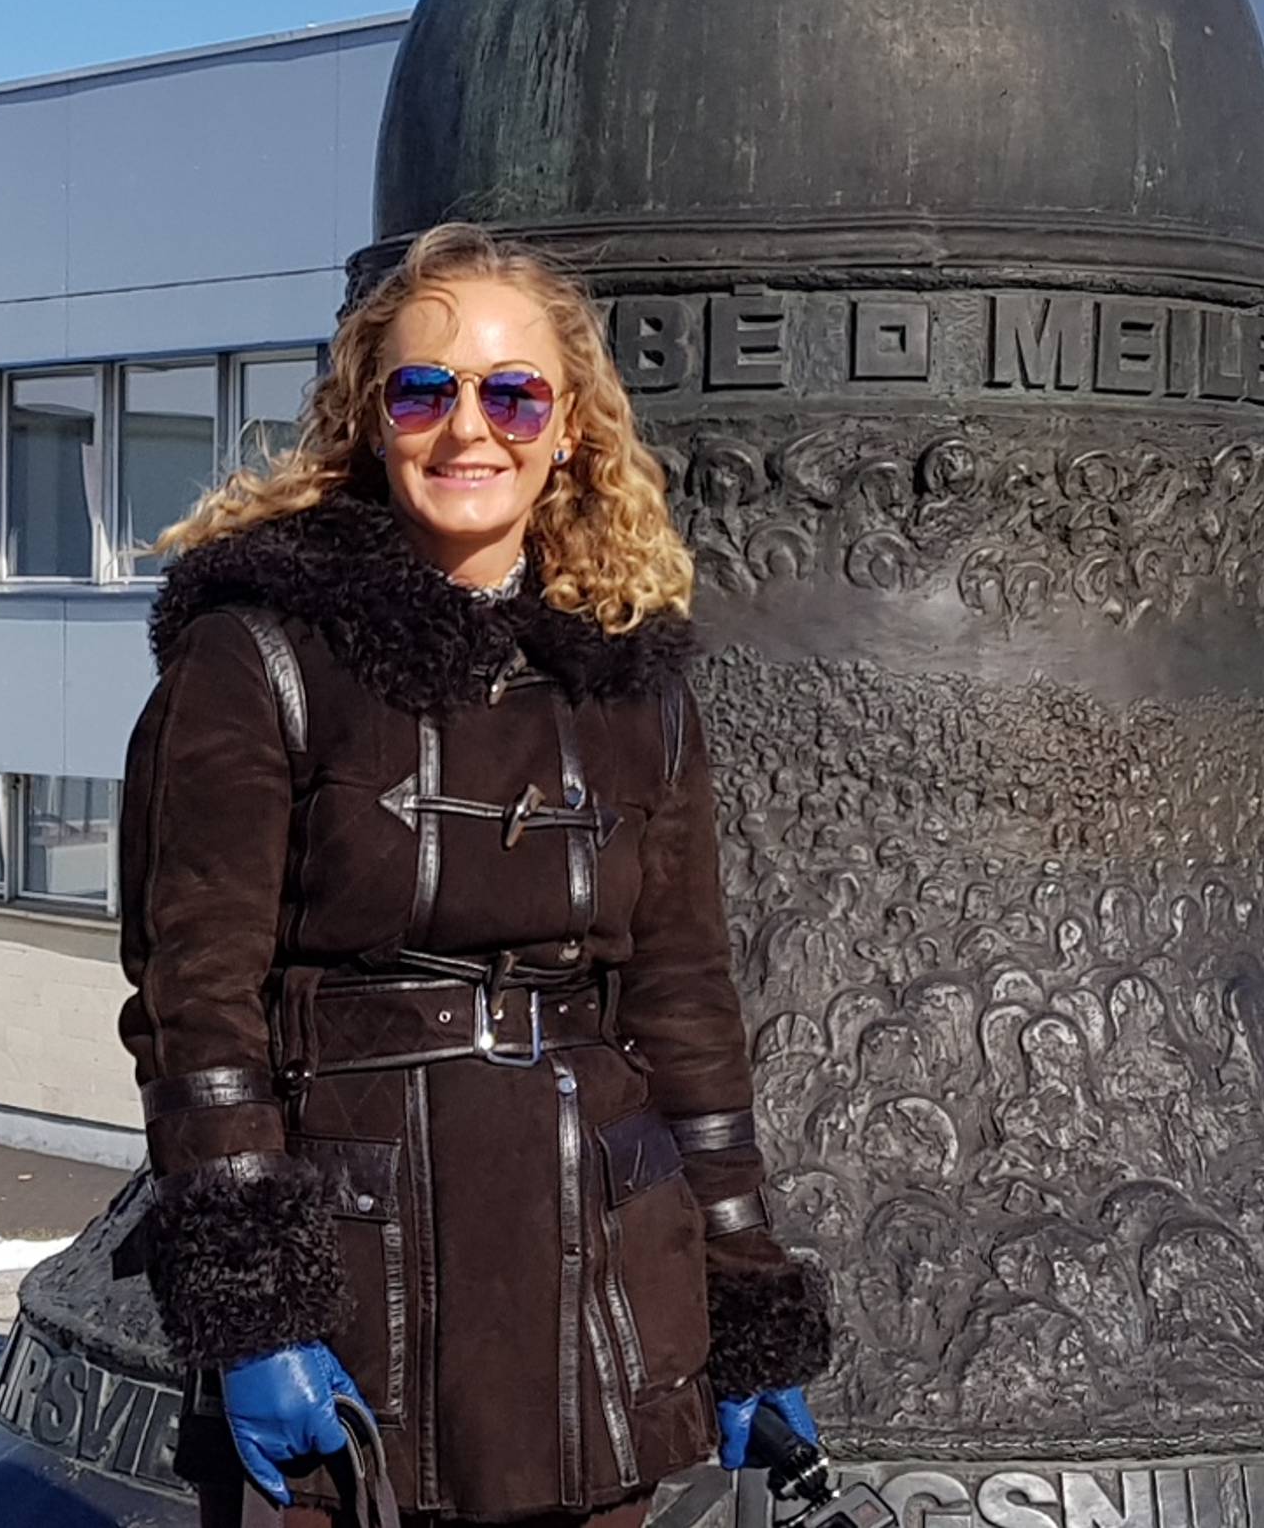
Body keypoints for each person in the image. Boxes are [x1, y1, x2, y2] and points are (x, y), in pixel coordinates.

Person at [115, 221, 832, 1527]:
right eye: (422, 390)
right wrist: (255, 1307)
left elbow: (683, 1002)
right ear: (368, 416)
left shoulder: (635, 687)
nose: (467, 430)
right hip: (353, 1293)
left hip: (597, 1286)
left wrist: (742, 1283)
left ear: (569, 429)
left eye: (512, 393)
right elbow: (194, 1002)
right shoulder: (258, 655)